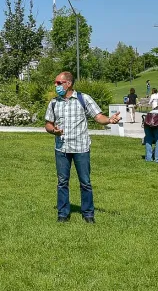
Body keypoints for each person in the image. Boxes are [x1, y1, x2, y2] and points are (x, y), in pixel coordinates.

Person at [45, 72, 120, 222]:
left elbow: (98, 117)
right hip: (62, 148)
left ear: (69, 84)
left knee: (85, 182)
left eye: (59, 83)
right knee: (62, 182)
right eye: (55, 82)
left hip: (81, 148)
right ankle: (63, 214)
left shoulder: (83, 99)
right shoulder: (54, 102)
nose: (56, 85)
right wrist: (54, 131)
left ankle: (88, 214)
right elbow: (48, 123)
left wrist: (110, 120)